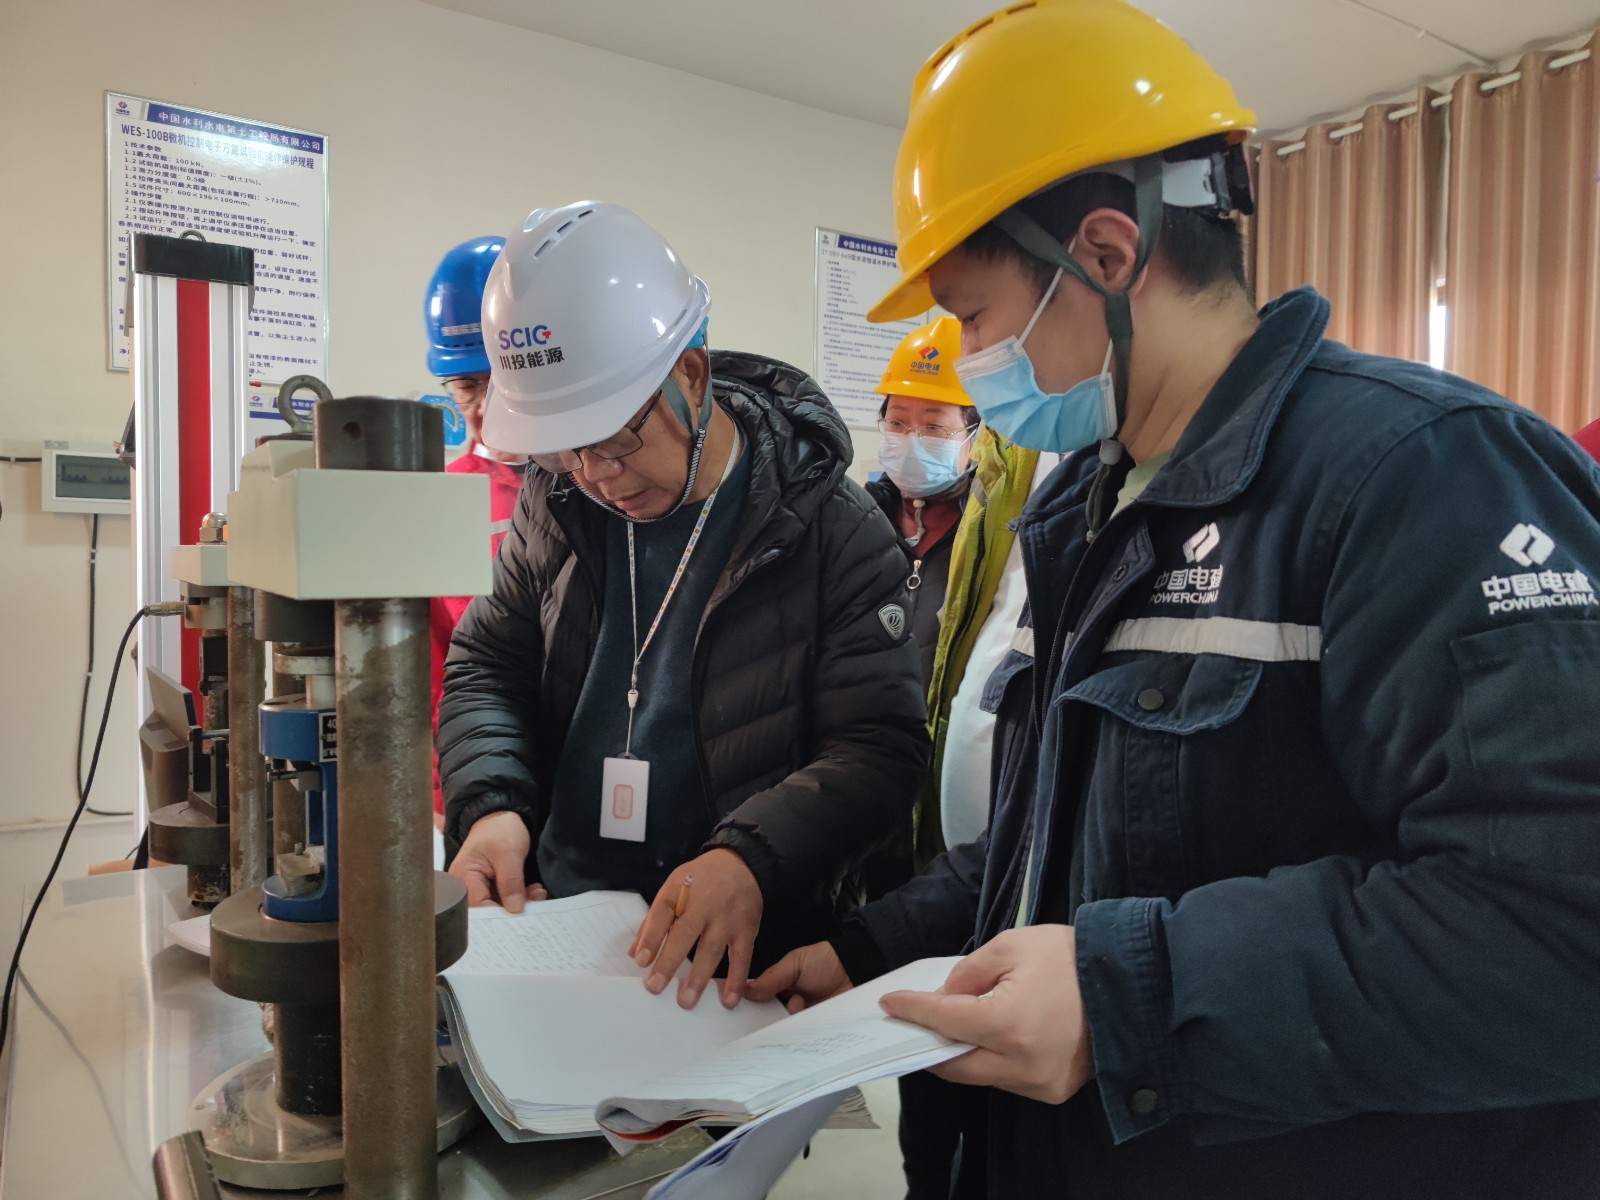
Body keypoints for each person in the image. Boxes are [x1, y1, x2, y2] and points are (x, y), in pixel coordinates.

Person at [751, 2, 1600, 1197]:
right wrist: (874, 944)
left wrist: (1130, 998)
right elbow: (1060, 835)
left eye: (975, 316)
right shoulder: (1085, 503)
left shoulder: (1417, 477)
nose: (973, 363)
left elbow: (1559, 924)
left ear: (1105, 257)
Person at [437, 201, 928, 1012]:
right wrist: (490, 804)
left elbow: (880, 749)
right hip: (556, 930)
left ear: (691, 377)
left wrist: (749, 858)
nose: (596, 474)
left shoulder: (830, 528)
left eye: (615, 438)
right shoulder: (556, 501)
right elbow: (489, 664)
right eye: (565, 447)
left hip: (728, 964)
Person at [423, 235, 528, 831]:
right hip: (481, 778)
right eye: (466, 386)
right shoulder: (445, 498)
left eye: (499, 382)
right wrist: (446, 796)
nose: (483, 408)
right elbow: (435, 665)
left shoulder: (607, 483)